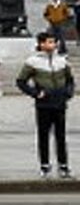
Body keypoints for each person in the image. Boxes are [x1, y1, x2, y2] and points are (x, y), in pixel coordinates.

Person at [17, 32, 73, 179]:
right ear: (41, 44)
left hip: (60, 103)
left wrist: (68, 93)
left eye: (53, 42)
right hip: (44, 104)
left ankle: (63, 165)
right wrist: (36, 93)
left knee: (61, 136)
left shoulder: (62, 60)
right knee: (43, 136)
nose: (52, 45)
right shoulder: (32, 61)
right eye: (49, 42)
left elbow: (70, 80)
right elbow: (21, 81)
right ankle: (45, 165)